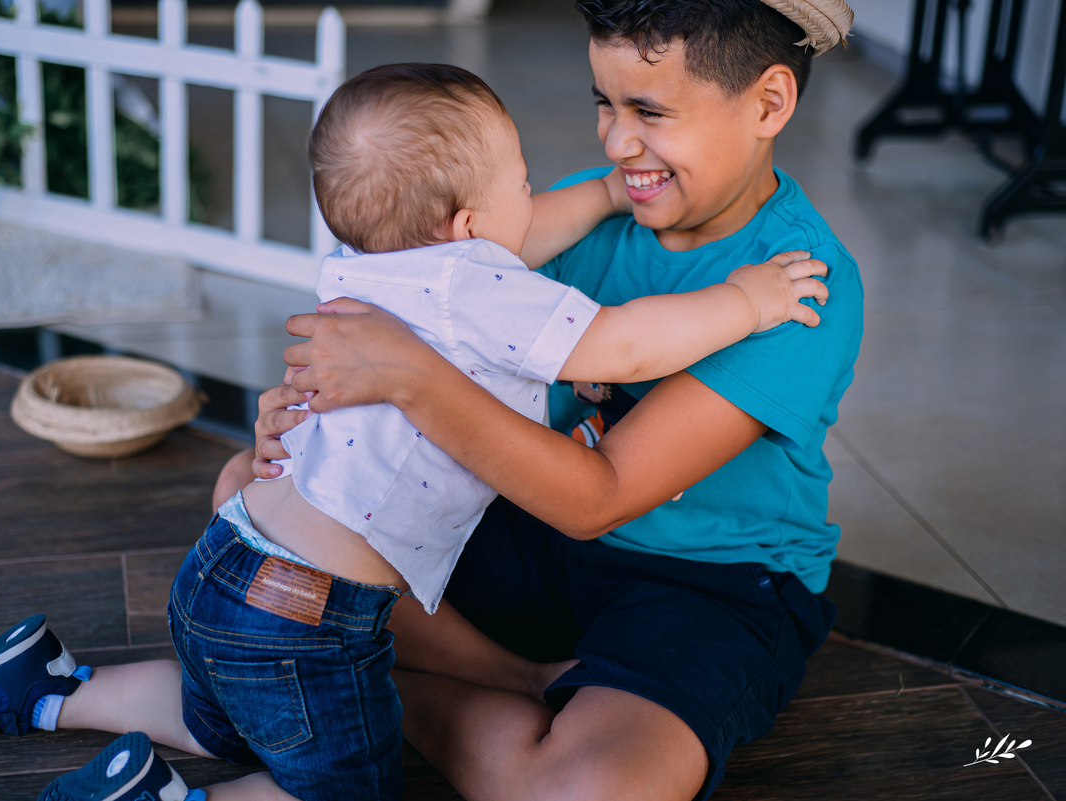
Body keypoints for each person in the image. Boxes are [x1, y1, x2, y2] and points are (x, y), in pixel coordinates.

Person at [0, 62, 828, 801]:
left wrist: (599, 194)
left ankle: (54, 688)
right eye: (521, 179)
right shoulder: (482, 286)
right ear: (469, 229)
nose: (544, 190)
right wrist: (747, 299)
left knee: (223, 714)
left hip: (228, 567)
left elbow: (522, 233)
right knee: (346, 785)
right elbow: (626, 343)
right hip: (315, 617)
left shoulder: (370, 265)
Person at [244, 1, 864, 799]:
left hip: (705, 578)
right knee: (252, 492)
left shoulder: (795, 281)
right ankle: (494, 679)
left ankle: (338, 695)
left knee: (590, 788)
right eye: (604, 104)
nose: (615, 141)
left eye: (650, 111)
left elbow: (597, 497)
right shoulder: (589, 208)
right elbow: (417, 306)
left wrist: (405, 376)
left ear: (769, 104)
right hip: (525, 521)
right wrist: (313, 412)